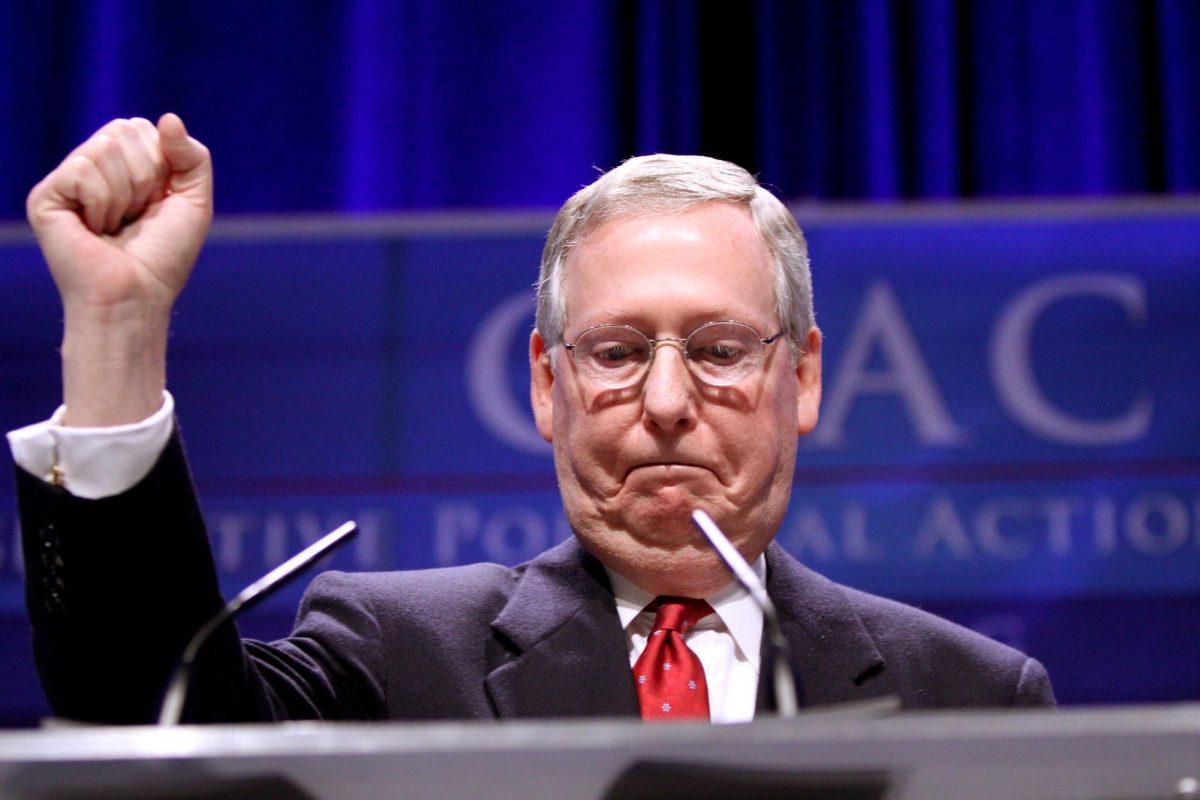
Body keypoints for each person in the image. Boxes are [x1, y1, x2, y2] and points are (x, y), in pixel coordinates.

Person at [10, 115, 1054, 725]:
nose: (666, 402)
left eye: (723, 349)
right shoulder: (396, 655)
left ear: (806, 378)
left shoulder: (971, 695)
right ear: (547, 387)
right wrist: (118, 324)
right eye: (614, 351)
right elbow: (148, 721)